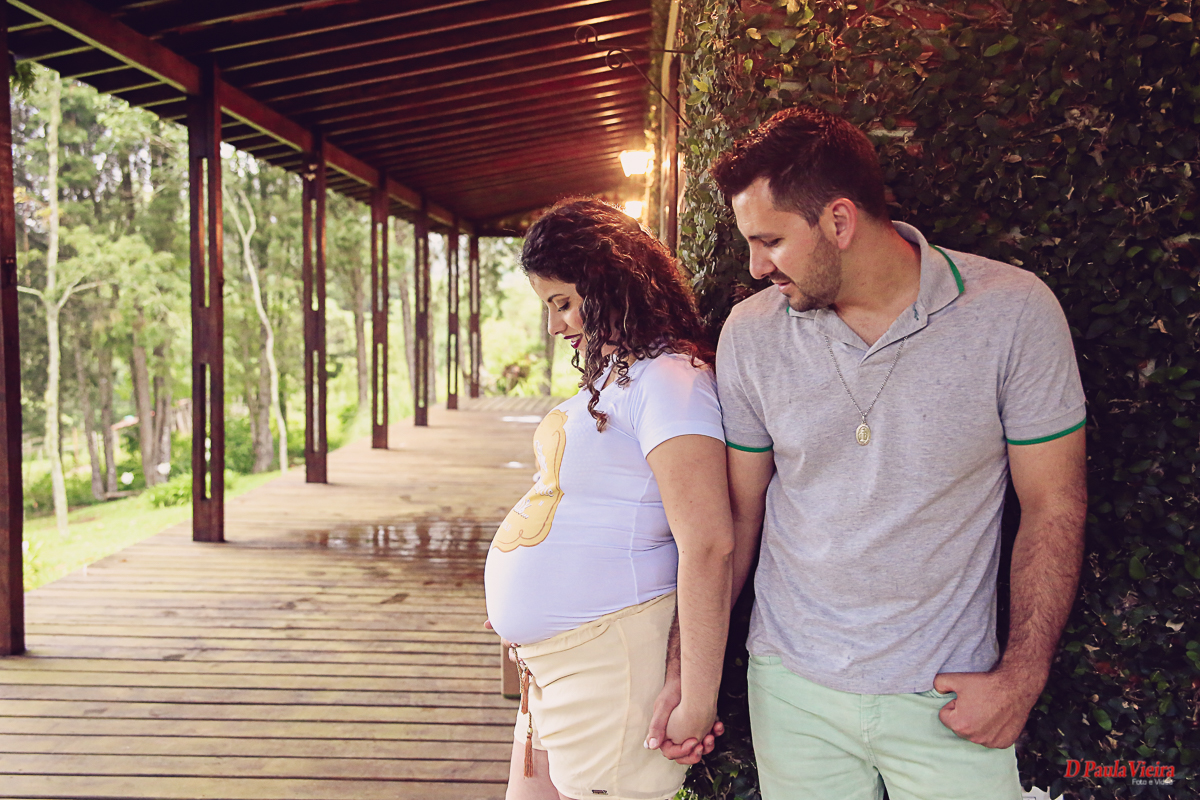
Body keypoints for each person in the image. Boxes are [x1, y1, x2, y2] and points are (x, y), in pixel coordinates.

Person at [707, 106, 1088, 799]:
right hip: (793, 693)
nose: (757, 267)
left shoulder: (1014, 312)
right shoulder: (751, 333)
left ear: (840, 222)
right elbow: (737, 515)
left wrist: (1021, 678)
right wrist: (688, 669)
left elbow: (1053, 503)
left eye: (770, 241)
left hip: (950, 699)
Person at [484, 197, 734, 800]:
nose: (554, 326)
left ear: (610, 282)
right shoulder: (621, 376)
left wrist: (696, 697)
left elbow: (708, 544)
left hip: (608, 664)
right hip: (555, 664)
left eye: (563, 303)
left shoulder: (671, 382)